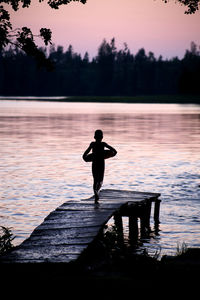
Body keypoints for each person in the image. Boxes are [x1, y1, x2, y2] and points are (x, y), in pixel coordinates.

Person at [82, 129, 117, 203]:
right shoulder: (103, 144)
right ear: (102, 137)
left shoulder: (92, 144)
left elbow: (84, 156)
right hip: (101, 163)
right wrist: (106, 151)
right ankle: (97, 191)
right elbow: (115, 151)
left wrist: (91, 151)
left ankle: (95, 192)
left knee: (95, 179)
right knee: (100, 180)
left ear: (94, 137)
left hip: (94, 163)